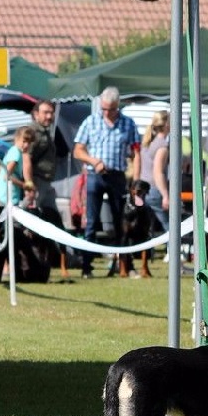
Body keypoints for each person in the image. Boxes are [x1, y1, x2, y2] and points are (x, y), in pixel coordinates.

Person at [72, 86, 141, 279]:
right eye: (103, 108)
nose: (106, 113)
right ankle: (87, 267)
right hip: (95, 176)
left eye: (110, 109)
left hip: (117, 176)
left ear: (117, 106)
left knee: (121, 223)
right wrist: (93, 161)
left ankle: (124, 265)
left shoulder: (128, 124)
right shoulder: (91, 121)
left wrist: (136, 179)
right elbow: (78, 150)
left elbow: (136, 152)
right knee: (92, 223)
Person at [139, 109, 170, 233]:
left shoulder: (148, 142)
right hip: (154, 190)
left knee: (148, 228)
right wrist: (165, 195)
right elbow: (158, 172)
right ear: (166, 124)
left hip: (143, 189)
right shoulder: (162, 146)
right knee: (169, 227)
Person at [27, 100, 59, 213]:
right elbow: (26, 159)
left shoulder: (44, 131)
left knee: (51, 216)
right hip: (36, 181)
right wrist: (29, 185)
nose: (49, 116)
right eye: (45, 113)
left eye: (51, 113)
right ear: (36, 114)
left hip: (45, 182)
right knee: (31, 216)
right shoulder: (32, 132)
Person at [0, 125, 35, 208]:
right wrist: (24, 185)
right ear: (16, 139)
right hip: (6, 198)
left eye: (29, 143)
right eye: (24, 141)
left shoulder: (17, 152)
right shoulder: (15, 153)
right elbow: (7, 176)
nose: (26, 145)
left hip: (8, 197)